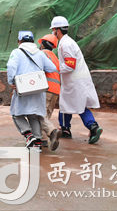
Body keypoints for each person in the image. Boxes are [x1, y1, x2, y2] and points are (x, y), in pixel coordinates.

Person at [50, 16, 103, 144]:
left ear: (57, 30)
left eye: (53, 30)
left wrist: (55, 69)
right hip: (76, 80)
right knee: (72, 105)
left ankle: (89, 127)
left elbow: (70, 65)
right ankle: (70, 129)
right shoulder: (68, 42)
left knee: (71, 105)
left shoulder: (66, 44)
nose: (53, 32)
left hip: (74, 81)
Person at [7, 31, 58, 152]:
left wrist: (11, 81)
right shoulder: (40, 54)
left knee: (16, 114)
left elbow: (11, 66)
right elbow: (52, 68)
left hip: (23, 87)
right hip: (38, 88)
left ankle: (29, 136)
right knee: (34, 116)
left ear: (20, 41)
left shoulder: (16, 52)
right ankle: (37, 144)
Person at [37, 34, 62, 151]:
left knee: (39, 114)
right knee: (46, 115)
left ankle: (52, 131)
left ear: (42, 45)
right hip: (56, 90)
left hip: (46, 88)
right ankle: (43, 140)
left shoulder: (42, 54)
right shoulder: (55, 57)